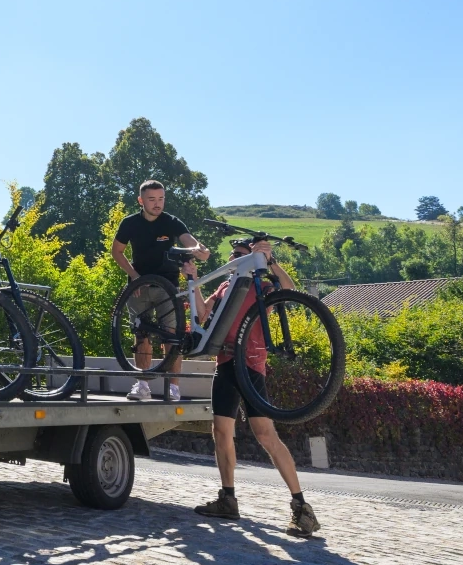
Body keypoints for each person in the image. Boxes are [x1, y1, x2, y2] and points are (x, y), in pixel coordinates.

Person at [193, 238, 320, 536]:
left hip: (250, 364)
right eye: (234, 256)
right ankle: (228, 499)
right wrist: (193, 281)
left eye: (243, 256)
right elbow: (202, 315)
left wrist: (269, 260)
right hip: (224, 363)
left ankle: (302, 507)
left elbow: (289, 291)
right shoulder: (225, 287)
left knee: (266, 435)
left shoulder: (261, 286)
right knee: (221, 431)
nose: (236, 260)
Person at [110, 180, 205, 402]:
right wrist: (134, 277)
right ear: (141, 201)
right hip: (139, 286)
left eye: (161, 199)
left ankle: (173, 387)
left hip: (168, 286)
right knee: (141, 335)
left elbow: (189, 240)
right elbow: (117, 251)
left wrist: (199, 250)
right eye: (151, 199)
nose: (157, 204)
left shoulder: (171, 222)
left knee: (171, 336)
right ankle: (142, 385)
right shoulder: (130, 223)